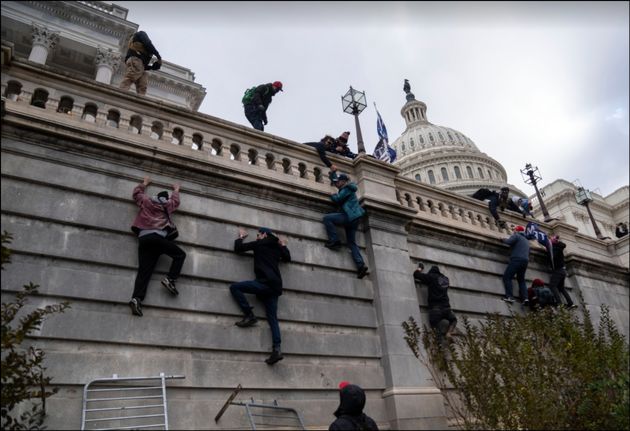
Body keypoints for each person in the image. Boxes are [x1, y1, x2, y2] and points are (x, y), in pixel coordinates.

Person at [230, 227, 291, 365]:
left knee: (235, 287)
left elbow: (238, 248)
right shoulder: (277, 246)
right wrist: (283, 245)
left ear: (264, 234)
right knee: (273, 319)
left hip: (263, 284)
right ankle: (277, 349)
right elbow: (288, 257)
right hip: (275, 288)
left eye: (258, 235)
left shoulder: (259, 244)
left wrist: (240, 237)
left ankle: (249, 315)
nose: (257, 237)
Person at [129, 177, 186, 317]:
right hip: (157, 237)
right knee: (180, 255)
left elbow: (136, 193)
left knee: (144, 271)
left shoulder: (146, 201)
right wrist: (176, 190)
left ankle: (136, 299)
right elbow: (175, 201)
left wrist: (144, 183)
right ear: (165, 198)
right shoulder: (167, 205)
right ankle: (170, 279)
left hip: (143, 238)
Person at [323, 171, 369, 279]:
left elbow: (338, 199)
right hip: (354, 219)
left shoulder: (347, 189)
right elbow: (336, 181)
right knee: (352, 243)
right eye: (335, 182)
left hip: (349, 217)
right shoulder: (347, 188)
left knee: (327, 218)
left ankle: (335, 241)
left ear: (343, 182)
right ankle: (361, 265)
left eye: (337, 182)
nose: (335, 184)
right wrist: (332, 174)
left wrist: (333, 195)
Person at [413, 263, 457, 341]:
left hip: (435, 309)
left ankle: (440, 348)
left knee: (437, 332)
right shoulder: (445, 279)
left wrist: (420, 268)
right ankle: (449, 333)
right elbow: (437, 284)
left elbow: (416, 274)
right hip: (447, 308)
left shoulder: (431, 277)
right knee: (453, 320)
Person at [119, 31, 162, 96]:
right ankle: (120, 94)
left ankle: (141, 99)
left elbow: (143, 65)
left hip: (140, 65)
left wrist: (152, 67)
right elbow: (148, 43)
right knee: (130, 78)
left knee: (142, 85)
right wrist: (158, 56)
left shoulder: (138, 48)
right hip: (136, 60)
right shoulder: (141, 34)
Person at [501, 225, 530, 305]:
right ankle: (525, 298)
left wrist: (503, 239)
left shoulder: (516, 236)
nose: (513, 231)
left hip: (517, 259)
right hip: (525, 261)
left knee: (507, 277)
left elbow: (508, 242)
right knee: (521, 280)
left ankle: (510, 297)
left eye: (514, 230)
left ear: (517, 230)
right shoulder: (526, 240)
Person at [547, 235, 577, 308]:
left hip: (558, 270)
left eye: (551, 239)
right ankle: (570, 303)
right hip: (563, 271)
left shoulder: (554, 249)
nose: (550, 240)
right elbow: (563, 245)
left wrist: (550, 245)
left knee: (553, 286)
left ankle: (559, 303)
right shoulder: (559, 248)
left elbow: (551, 256)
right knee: (561, 288)